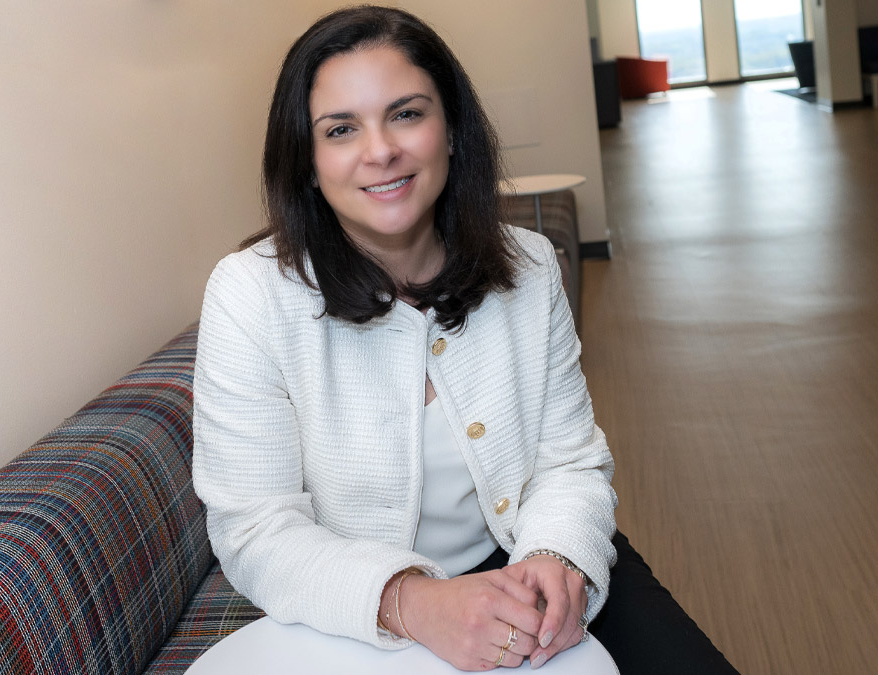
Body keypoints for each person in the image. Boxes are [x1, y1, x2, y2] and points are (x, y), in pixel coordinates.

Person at [193, 6, 735, 673]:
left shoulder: (531, 266)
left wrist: (555, 558)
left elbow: (568, 463)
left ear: (451, 129)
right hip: (349, 602)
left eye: (407, 113)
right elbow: (254, 528)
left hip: (524, 559)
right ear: (307, 162)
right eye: (340, 129)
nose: (380, 149)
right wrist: (413, 600)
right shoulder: (248, 294)